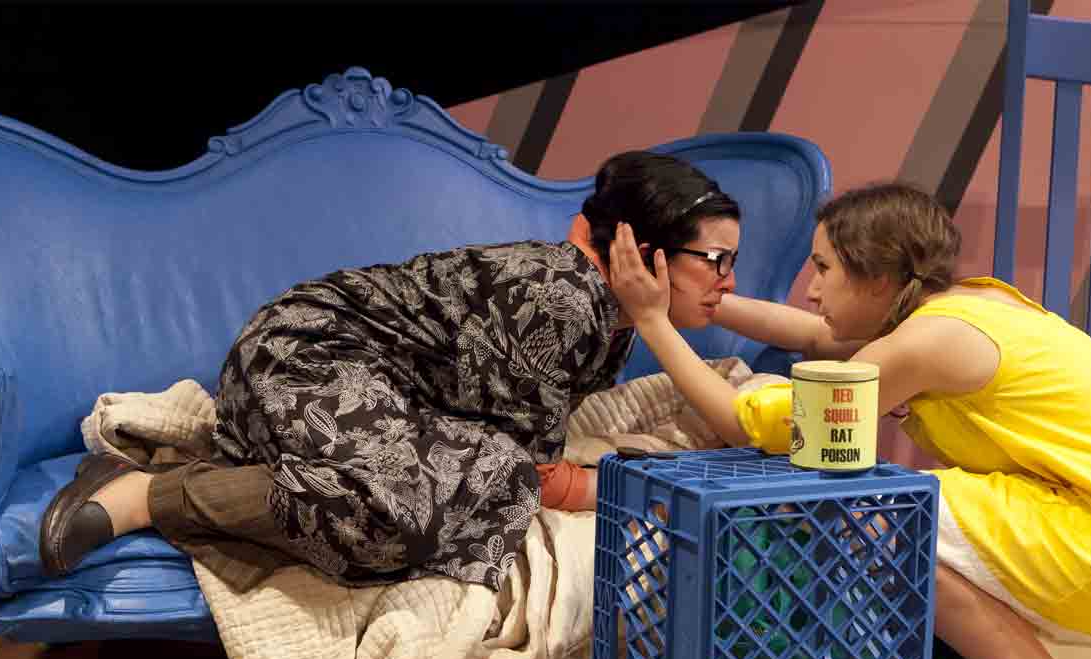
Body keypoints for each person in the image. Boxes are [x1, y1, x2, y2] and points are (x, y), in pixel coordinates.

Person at [605, 181, 1091, 659]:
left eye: (823, 268)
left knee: (889, 514)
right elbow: (817, 334)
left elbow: (753, 424)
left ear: (878, 277)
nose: (812, 289)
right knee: (901, 510)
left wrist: (654, 322)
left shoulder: (924, 342)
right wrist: (699, 301)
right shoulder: (959, 308)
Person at [39, 151, 740, 595]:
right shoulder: (559, 297)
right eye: (715, 261)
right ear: (643, 251)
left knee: (474, 477)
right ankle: (145, 494)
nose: (726, 281)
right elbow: (532, 471)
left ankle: (196, 486)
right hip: (307, 354)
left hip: (375, 393)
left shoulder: (611, 313)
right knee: (413, 504)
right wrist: (623, 489)